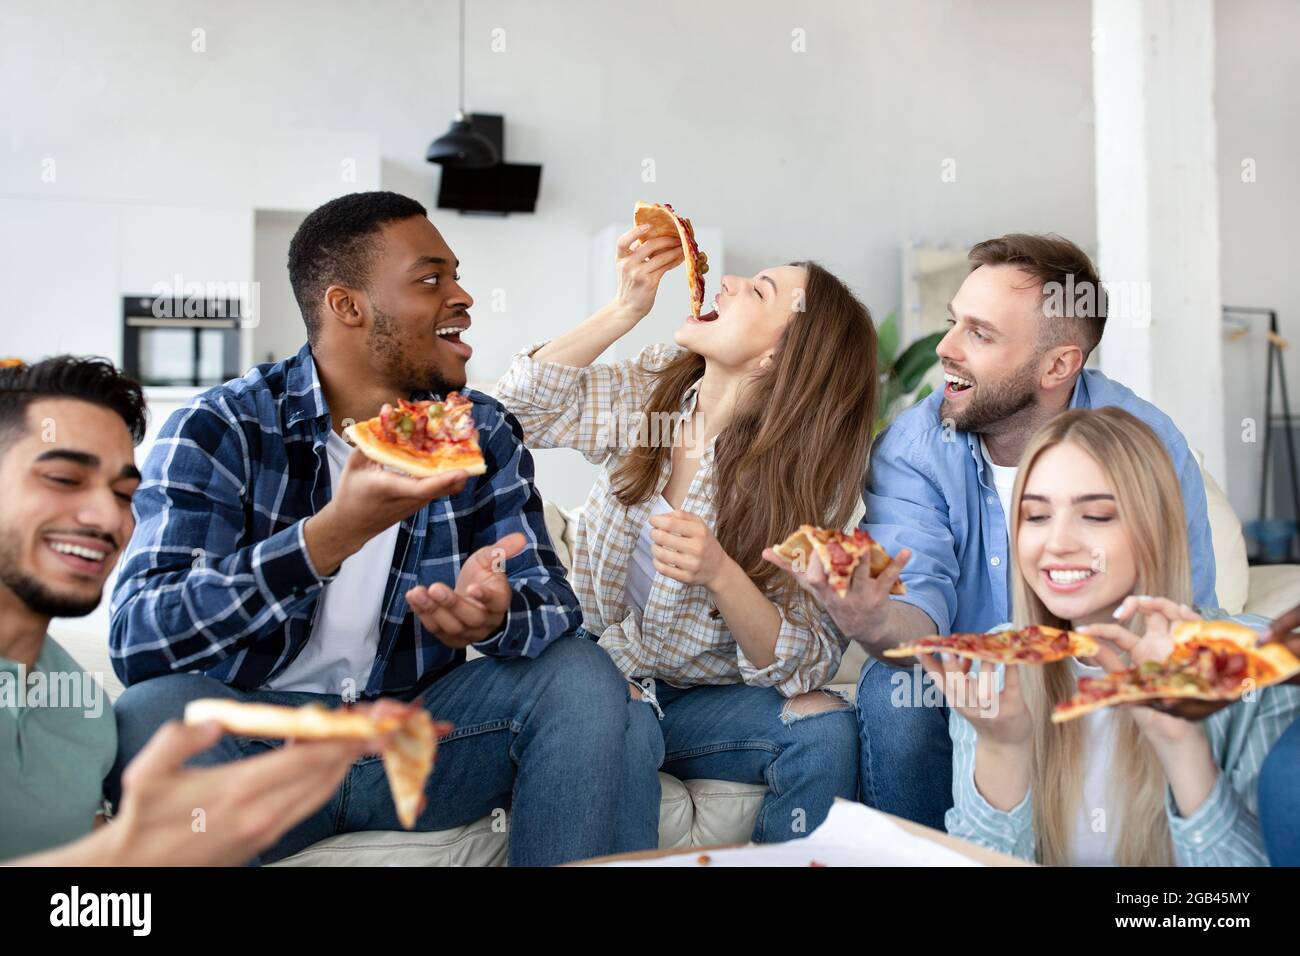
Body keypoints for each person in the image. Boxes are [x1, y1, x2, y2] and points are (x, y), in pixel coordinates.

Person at [108, 191, 659, 866]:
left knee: (579, 674)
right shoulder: (222, 427)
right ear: (347, 306)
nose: (462, 297)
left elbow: (553, 609)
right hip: (258, 753)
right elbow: (139, 639)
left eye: (455, 275)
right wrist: (324, 540)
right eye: (432, 279)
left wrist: (495, 619)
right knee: (153, 710)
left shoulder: (477, 429)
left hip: (417, 749)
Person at [767, 233, 1219, 829]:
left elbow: (1183, 613)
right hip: (960, 681)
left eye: (980, 334)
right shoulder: (913, 449)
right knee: (894, 693)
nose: (947, 350)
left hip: (1105, 666)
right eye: (954, 323)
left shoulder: (1145, 441)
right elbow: (917, 620)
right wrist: (870, 618)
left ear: (1058, 365)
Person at [493, 222, 873, 841]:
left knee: (826, 728)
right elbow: (515, 413)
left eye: (759, 290)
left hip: (705, 702)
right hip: (597, 676)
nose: (727, 281)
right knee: (623, 720)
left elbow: (808, 661)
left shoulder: (816, 486)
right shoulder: (656, 390)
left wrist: (721, 574)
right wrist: (624, 309)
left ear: (780, 354)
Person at [0, 356, 375, 866]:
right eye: (64, 478)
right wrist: (124, 851)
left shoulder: (79, 712)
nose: (108, 516)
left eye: (124, 494)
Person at [924, 407, 1299, 864]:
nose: (1058, 543)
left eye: (1097, 516)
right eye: (1037, 517)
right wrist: (1002, 752)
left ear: (1156, 529)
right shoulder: (996, 664)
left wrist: (1183, 748)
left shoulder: (1253, 661)